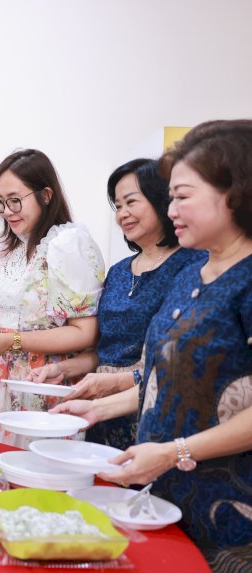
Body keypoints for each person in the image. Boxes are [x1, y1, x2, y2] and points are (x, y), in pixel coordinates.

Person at [52, 120, 252, 573]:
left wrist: (173, 452)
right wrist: (97, 408)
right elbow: (168, 382)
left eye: (182, 196)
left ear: (235, 194)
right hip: (160, 493)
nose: (171, 209)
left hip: (229, 506)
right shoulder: (194, 274)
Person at [29, 159, 205, 449]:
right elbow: (105, 352)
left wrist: (114, 382)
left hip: (153, 411)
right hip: (100, 410)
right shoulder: (120, 271)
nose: (122, 214)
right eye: (118, 206)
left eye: (131, 202)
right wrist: (64, 369)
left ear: (162, 200)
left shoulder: (193, 265)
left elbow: (183, 363)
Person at [0, 149, 104, 447]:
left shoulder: (67, 244)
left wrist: (11, 341)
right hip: (2, 381)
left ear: (46, 195)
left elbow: (84, 333)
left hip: (44, 381)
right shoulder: (11, 250)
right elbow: (10, 320)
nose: (8, 211)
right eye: (0, 202)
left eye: (15, 200)